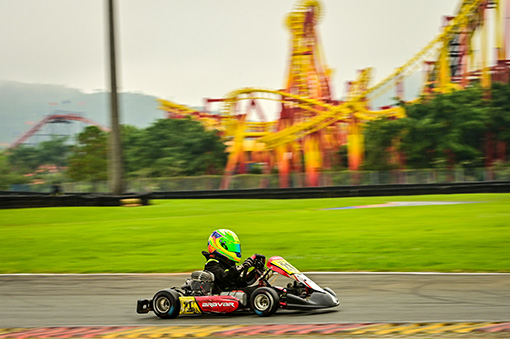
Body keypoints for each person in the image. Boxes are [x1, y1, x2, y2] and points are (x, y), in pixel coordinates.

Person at [202, 229, 256, 293]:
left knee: (260, 289)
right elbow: (224, 277)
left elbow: (240, 282)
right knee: (255, 292)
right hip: (220, 294)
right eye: (232, 247)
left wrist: (255, 273)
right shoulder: (212, 264)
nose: (235, 250)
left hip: (230, 291)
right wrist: (240, 268)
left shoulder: (227, 263)